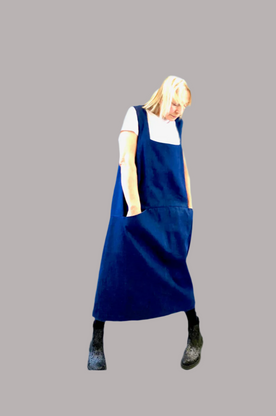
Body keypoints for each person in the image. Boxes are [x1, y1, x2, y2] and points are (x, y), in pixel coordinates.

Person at [88, 76, 203, 371]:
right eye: (175, 103)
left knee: (175, 272)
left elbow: (183, 169)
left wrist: (190, 206)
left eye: (183, 106)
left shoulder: (176, 125)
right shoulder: (136, 115)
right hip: (136, 208)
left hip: (172, 212)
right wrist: (135, 208)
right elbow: (126, 161)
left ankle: (195, 331)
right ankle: (97, 338)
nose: (178, 111)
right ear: (164, 95)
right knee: (116, 268)